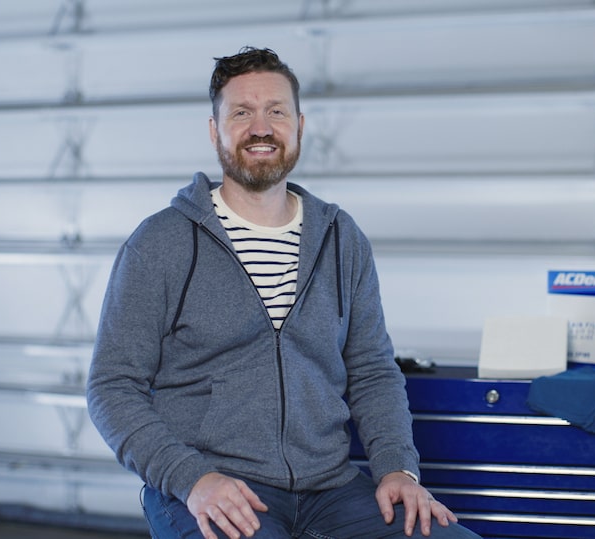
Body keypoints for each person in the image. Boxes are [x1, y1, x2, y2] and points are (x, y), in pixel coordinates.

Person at [86, 46, 482, 539]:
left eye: (275, 111)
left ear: (298, 124)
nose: (260, 127)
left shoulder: (341, 238)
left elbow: (373, 371)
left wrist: (397, 468)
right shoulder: (162, 242)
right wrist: (193, 479)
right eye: (241, 113)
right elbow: (111, 386)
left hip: (333, 491)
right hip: (215, 491)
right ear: (215, 130)